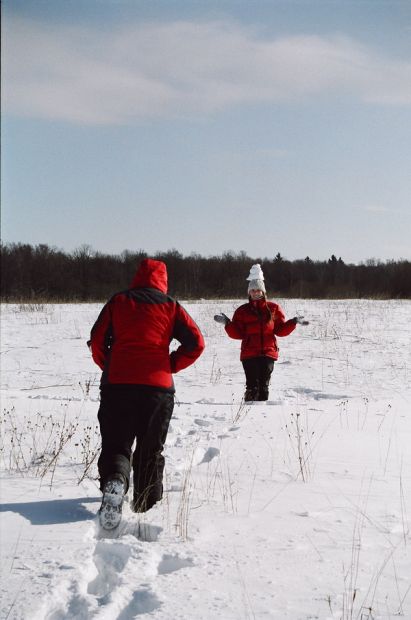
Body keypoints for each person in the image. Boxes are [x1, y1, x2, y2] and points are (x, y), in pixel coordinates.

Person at [89, 258, 205, 529]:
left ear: (137, 277)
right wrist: (170, 365)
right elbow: (196, 344)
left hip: (118, 385)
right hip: (157, 389)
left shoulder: (119, 302)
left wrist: (108, 365)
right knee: (150, 450)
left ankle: (116, 479)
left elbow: (96, 338)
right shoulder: (171, 306)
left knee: (116, 445)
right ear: (163, 281)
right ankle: (146, 509)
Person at [214, 264, 308, 402]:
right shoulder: (242, 311)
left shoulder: (273, 308)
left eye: (258, 290)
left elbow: (280, 330)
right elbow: (238, 333)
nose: (256, 293)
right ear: (249, 292)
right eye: (253, 290)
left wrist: (293, 322)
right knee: (252, 386)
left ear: (263, 292)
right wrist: (228, 323)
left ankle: (261, 413)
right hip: (249, 354)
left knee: (264, 386)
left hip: (268, 353)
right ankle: (248, 413)